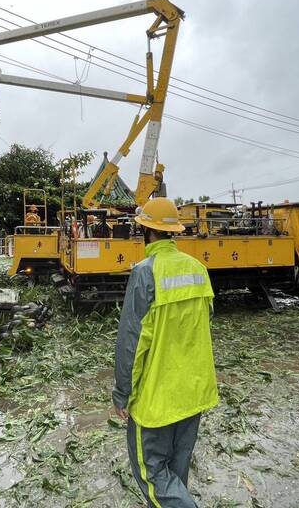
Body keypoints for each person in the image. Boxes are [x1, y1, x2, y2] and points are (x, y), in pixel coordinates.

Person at [113, 197, 218, 507]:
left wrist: (122, 393)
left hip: (156, 399)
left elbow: (132, 341)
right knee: (176, 471)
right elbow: (205, 321)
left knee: (153, 474)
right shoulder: (198, 268)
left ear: (145, 230)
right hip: (193, 392)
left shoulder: (146, 272)